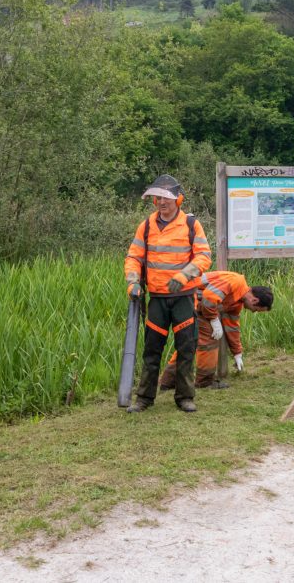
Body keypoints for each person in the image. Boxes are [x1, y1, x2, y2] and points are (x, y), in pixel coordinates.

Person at [124, 175, 212, 413]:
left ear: (178, 199)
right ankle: (144, 399)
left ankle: (184, 397)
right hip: (157, 300)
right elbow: (134, 257)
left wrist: (184, 276)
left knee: (186, 348)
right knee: (152, 349)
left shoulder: (191, 225)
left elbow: (204, 256)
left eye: (166, 198)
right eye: (157, 198)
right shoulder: (146, 226)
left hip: (184, 298)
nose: (161, 202)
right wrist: (133, 282)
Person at [158, 272, 274, 390]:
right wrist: (214, 319)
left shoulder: (238, 301)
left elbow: (232, 327)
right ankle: (204, 382)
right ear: (254, 300)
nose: (253, 312)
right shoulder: (236, 282)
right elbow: (208, 299)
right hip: (189, 298)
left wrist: (237, 353)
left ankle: (168, 381)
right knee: (210, 340)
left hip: (191, 300)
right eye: (256, 310)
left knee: (189, 343)